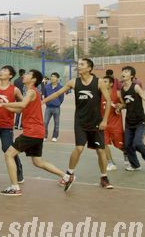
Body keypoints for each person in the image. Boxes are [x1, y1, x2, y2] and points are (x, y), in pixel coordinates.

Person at [42, 58, 113, 191]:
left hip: (96, 122)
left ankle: (104, 177)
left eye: (82, 64)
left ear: (89, 68)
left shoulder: (99, 82)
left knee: (100, 150)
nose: (79, 66)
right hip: (80, 122)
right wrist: (41, 102)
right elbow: (57, 93)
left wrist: (104, 120)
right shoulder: (74, 82)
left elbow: (108, 101)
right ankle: (69, 174)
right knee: (79, 148)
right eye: (78, 64)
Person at [0, 70, 66, 196]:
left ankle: (15, 187)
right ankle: (66, 176)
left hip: (32, 132)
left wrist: (2, 105)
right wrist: (3, 104)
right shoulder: (30, 93)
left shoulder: (31, 91)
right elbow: (19, 110)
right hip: (37, 132)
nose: (24, 75)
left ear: (33, 79)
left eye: (27, 74)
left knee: (9, 154)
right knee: (38, 162)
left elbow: (22, 104)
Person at [117, 66, 145, 174]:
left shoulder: (136, 87)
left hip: (139, 121)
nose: (123, 73)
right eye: (123, 71)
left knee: (137, 143)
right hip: (129, 122)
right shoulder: (121, 91)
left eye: (126, 71)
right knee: (127, 145)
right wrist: (120, 107)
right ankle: (135, 165)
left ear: (132, 76)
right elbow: (126, 104)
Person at [101, 76, 128, 171]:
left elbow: (125, 104)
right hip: (103, 123)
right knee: (103, 143)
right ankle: (111, 163)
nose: (103, 83)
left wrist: (120, 106)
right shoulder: (99, 94)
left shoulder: (117, 94)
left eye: (105, 81)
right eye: (102, 81)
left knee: (121, 145)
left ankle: (127, 155)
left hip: (115, 124)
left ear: (111, 84)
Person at [42, 72, 64, 141]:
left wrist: (57, 103)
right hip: (48, 107)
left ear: (57, 78)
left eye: (54, 76)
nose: (52, 78)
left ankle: (54, 136)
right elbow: (45, 96)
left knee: (56, 123)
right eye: (51, 76)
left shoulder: (60, 87)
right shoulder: (46, 86)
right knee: (45, 122)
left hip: (56, 108)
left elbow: (61, 98)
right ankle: (45, 136)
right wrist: (47, 103)